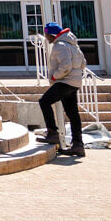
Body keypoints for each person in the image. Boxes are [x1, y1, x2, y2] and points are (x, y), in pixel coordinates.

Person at [37, 22, 87, 157]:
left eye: (47, 34)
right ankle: (78, 145)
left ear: (52, 34)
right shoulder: (73, 44)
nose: (46, 38)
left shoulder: (59, 45)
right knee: (73, 114)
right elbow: (83, 63)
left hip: (64, 82)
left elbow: (65, 66)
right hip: (74, 83)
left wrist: (54, 76)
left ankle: (52, 133)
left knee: (44, 101)